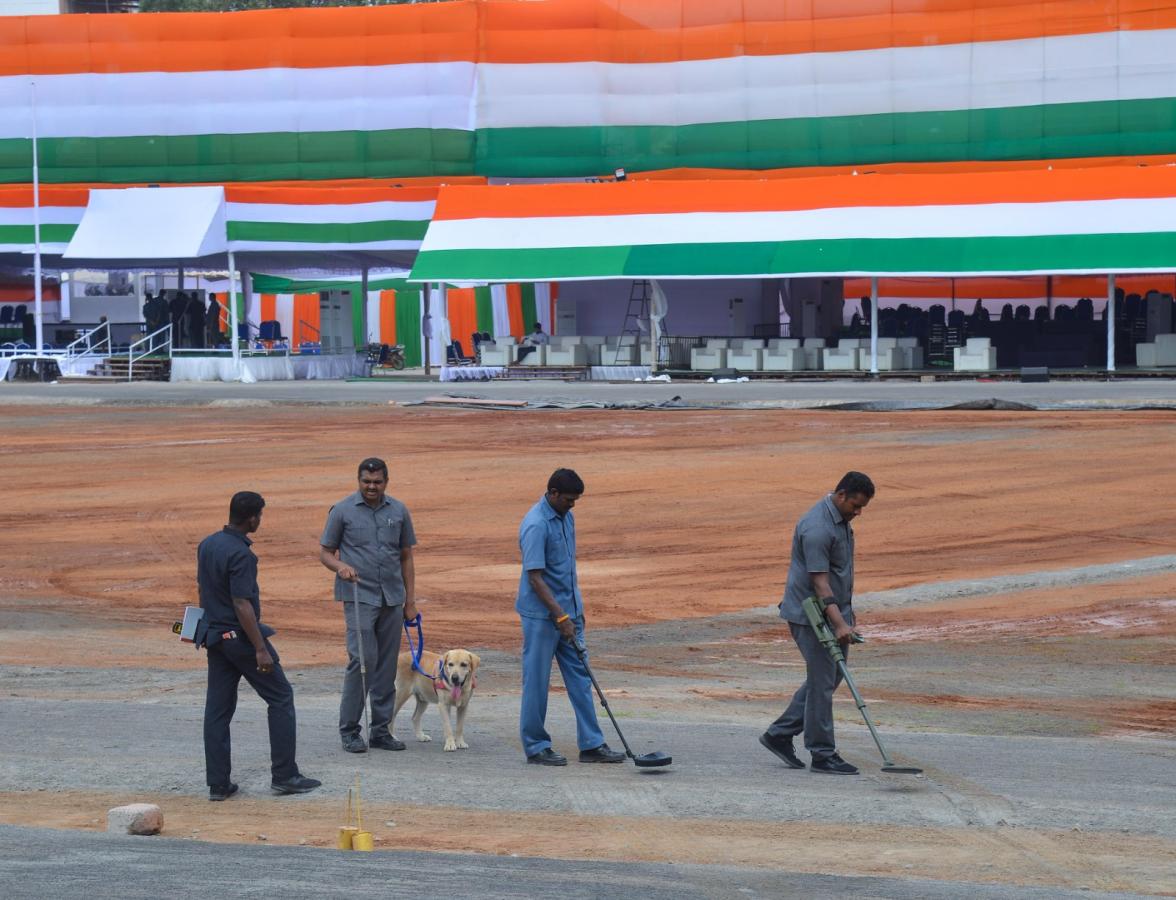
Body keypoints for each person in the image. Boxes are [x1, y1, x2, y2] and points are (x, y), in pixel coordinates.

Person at [197, 491, 320, 800]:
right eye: (260, 516)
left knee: (217, 712)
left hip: (215, 638)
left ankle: (218, 784)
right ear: (252, 518)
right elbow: (241, 603)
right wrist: (260, 648)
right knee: (281, 697)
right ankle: (284, 775)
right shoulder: (242, 554)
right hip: (240, 640)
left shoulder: (207, 544)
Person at [760, 471, 875, 775]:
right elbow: (821, 583)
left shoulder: (840, 520)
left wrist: (846, 615)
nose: (858, 512)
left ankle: (780, 734)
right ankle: (822, 753)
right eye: (855, 506)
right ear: (841, 496)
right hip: (811, 615)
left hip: (832, 612)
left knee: (827, 678)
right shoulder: (818, 528)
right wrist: (839, 624)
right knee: (823, 684)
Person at [517, 468, 624, 766]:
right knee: (537, 682)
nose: (572, 504)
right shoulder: (536, 525)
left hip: (569, 613)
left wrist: (573, 613)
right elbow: (535, 578)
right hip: (542, 616)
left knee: (580, 676)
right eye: (568, 499)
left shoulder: (566, 517)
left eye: (575, 500)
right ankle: (536, 745)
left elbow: (565, 570)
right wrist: (560, 617)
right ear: (552, 494)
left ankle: (592, 743)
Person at [319, 458, 418, 753]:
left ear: (386, 481)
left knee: (387, 666)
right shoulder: (342, 511)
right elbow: (325, 552)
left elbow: (406, 557)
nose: (371, 487)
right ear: (358, 480)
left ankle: (381, 731)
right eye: (366, 481)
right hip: (359, 597)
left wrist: (410, 601)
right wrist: (340, 567)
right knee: (362, 661)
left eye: (377, 482)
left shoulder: (399, 511)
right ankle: (350, 730)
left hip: (392, 597)